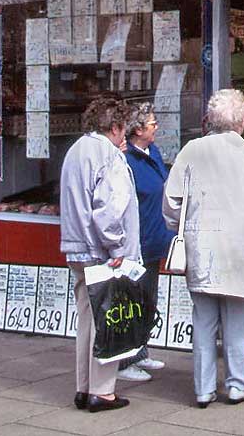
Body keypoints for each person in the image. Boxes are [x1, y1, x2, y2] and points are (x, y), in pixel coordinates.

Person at [163, 89, 244, 408]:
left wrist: (182, 227)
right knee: (236, 324)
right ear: (243, 122)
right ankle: (236, 385)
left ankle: (203, 389)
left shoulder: (192, 151)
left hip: (202, 250)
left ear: (210, 121)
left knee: (203, 321)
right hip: (243, 252)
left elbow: (172, 201)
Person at [59, 96, 139, 414]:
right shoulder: (110, 156)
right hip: (101, 252)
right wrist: (118, 247)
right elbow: (109, 210)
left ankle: (83, 387)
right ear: (116, 126)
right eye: (124, 129)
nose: (125, 137)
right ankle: (102, 391)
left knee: (87, 320)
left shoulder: (75, 150)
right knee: (109, 320)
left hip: (76, 247)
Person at [116, 103, 172, 383]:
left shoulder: (154, 153)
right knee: (132, 301)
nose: (156, 127)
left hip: (155, 240)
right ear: (138, 130)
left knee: (148, 299)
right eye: (152, 123)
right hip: (136, 243)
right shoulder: (126, 159)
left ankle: (140, 350)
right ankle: (124, 360)